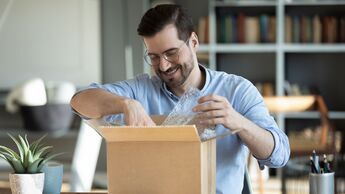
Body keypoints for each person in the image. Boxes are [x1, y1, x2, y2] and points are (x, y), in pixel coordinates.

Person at [70, 4, 290, 194]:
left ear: (193, 42)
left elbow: (279, 155)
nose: (164, 65)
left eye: (172, 52)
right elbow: (79, 102)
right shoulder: (141, 90)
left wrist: (238, 122)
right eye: (154, 57)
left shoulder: (237, 90)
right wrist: (125, 103)